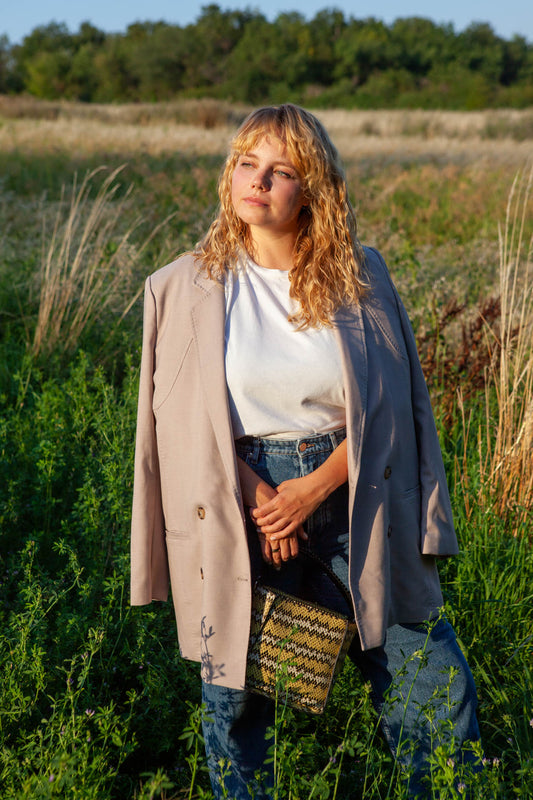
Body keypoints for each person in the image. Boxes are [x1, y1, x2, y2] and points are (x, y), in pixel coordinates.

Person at [130, 103, 480, 798]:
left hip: (354, 493)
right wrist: (265, 499)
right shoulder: (178, 286)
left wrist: (310, 490)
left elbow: (393, 412)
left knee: (427, 679)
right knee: (236, 701)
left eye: (280, 170)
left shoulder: (362, 276)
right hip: (239, 504)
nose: (256, 181)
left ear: (310, 190)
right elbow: (175, 428)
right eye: (245, 164)